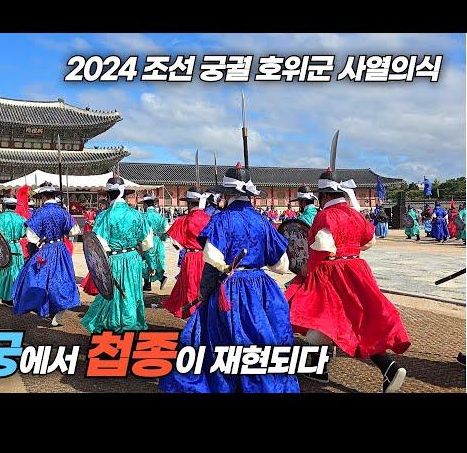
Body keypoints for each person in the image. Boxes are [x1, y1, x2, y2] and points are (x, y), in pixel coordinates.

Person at [160, 165, 299, 393]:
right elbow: (282, 265)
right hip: (261, 286)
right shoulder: (264, 221)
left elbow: (212, 257)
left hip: (232, 286)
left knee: (227, 337)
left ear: (226, 194)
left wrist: (210, 284)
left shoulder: (222, 220)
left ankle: (228, 383)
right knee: (261, 336)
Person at [285, 167, 411, 393]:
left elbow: (322, 246)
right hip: (356, 268)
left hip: (332, 273)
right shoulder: (355, 214)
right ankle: (319, 369)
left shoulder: (325, 215)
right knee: (345, 320)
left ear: (323, 196)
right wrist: (349, 249)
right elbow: (369, 240)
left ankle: (388, 367)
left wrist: (307, 267)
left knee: (328, 317)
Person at [81, 177, 154, 333]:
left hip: (113, 259)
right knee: (131, 292)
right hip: (133, 259)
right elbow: (147, 243)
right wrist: (151, 264)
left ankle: (114, 325)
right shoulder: (137, 215)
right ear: (124, 194)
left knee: (113, 294)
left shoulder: (104, 216)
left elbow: (97, 245)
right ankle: (130, 323)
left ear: (108, 195)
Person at [11, 182, 80, 326]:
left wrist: (38, 243)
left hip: (45, 250)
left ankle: (43, 307)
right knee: (60, 278)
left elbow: (30, 234)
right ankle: (57, 308)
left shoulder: (40, 212)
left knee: (37, 278)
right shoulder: (63, 212)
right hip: (61, 249)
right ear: (54, 196)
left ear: (42, 197)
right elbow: (74, 231)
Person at [160, 187, 210, 319]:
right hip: (207, 257)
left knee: (191, 288)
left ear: (188, 203)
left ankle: (193, 318)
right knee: (206, 288)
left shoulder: (182, 220)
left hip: (191, 257)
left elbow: (176, 245)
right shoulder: (210, 219)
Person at [140, 194, 168, 292]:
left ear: (145, 205)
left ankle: (149, 283)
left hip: (148, 240)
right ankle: (154, 281)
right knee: (156, 261)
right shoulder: (160, 216)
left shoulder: (143, 216)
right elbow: (166, 231)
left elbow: (141, 231)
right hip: (157, 240)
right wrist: (162, 239)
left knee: (145, 261)